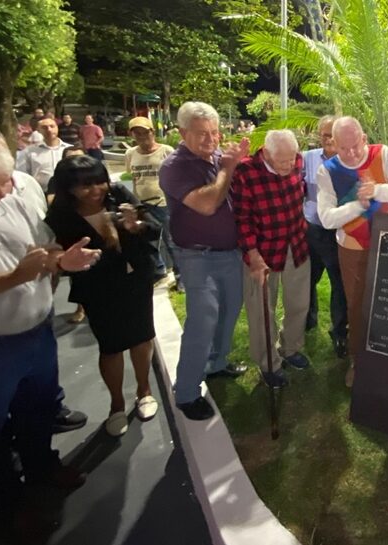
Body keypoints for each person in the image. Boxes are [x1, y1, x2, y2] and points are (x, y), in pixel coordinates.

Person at [0, 136, 99, 533]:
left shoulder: (14, 200)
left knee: (37, 411)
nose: (1, 191)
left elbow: (46, 247)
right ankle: (2, 505)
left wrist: (62, 260)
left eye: (4, 180)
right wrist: (14, 277)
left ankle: (42, 468)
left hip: (36, 334)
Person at [45, 156, 161, 437]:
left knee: (142, 337)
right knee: (110, 347)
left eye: (99, 181)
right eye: (85, 185)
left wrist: (138, 227)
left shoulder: (118, 195)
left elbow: (155, 228)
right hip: (98, 288)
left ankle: (144, 391)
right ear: (68, 188)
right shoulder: (59, 217)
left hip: (136, 280)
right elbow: (58, 258)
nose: (96, 189)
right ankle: (117, 405)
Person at [159, 101, 249, 421]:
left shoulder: (214, 158)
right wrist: (228, 167)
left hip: (230, 252)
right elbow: (209, 204)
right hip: (197, 256)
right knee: (202, 320)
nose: (210, 139)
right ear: (182, 133)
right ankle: (186, 392)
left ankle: (218, 363)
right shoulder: (175, 166)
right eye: (201, 134)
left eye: (214, 132)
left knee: (228, 313)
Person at [316, 116, 388, 387]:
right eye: (343, 148)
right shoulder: (327, 171)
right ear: (333, 144)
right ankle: (358, 361)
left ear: (364, 139)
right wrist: (359, 205)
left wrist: (377, 190)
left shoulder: (383, 154)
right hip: (352, 247)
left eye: (355, 146)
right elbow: (327, 218)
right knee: (356, 305)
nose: (350, 153)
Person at [232, 129, 311, 387]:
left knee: (298, 303)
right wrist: (253, 256)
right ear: (266, 153)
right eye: (282, 160)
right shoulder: (246, 172)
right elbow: (242, 220)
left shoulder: (297, 160)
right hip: (263, 252)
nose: (289, 165)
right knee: (261, 311)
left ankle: (291, 348)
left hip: (296, 245)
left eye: (292, 159)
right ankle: (268, 363)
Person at [302, 115, 348, 358]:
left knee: (339, 284)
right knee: (307, 278)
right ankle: (307, 320)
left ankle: (339, 331)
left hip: (339, 232)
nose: (328, 138)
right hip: (312, 229)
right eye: (324, 134)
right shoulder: (307, 158)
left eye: (332, 134)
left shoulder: (349, 161)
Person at [125, 116, 179, 289]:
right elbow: (131, 178)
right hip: (141, 202)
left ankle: (181, 277)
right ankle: (158, 271)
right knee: (146, 241)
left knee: (171, 240)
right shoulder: (130, 154)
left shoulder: (166, 151)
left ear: (152, 132)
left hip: (163, 201)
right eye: (137, 133)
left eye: (144, 132)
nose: (141, 137)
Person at [15, 117, 72, 191]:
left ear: (57, 128)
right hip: (40, 193)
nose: (49, 130)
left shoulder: (70, 149)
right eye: (44, 127)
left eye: (52, 126)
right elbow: (22, 175)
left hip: (68, 193)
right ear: (38, 131)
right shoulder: (28, 152)